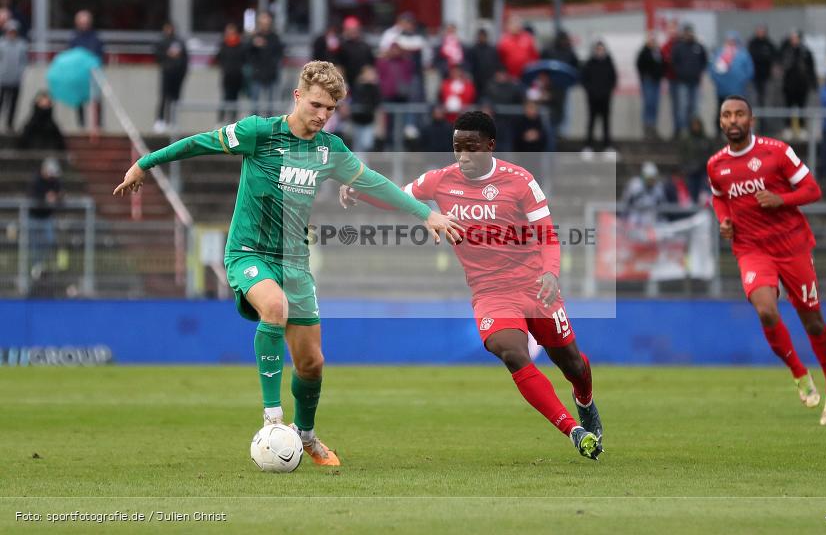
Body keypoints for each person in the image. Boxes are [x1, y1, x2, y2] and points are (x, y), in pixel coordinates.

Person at [113, 61, 462, 466]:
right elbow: (197, 143)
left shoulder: (329, 150)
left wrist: (426, 213)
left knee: (312, 363)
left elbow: (374, 183)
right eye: (316, 105)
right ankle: (272, 421)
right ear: (298, 96)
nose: (321, 116)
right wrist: (144, 163)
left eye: (330, 110)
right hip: (248, 252)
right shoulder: (258, 133)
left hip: (294, 261)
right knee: (274, 307)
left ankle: (307, 435)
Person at [340, 110, 603, 461]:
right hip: (491, 292)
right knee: (510, 350)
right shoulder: (439, 180)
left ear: (490, 146)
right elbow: (398, 197)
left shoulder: (520, 180)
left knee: (572, 364)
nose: (463, 156)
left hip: (534, 286)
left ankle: (584, 399)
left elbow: (547, 234)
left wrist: (551, 273)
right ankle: (573, 429)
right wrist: (360, 191)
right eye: (457, 148)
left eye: (471, 148)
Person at [707, 95, 826, 427]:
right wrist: (724, 221)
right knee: (766, 309)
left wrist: (782, 199)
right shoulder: (716, 165)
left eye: (740, 114)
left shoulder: (776, 152)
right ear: (721, 122)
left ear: (751, 120)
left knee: (813, 322)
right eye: (727, 115)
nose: (733, 120)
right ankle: (799, 373)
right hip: (751, 249)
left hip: (792, 247)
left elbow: (813, 190)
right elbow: (719, 198)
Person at [28, 158, 63, 286]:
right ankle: (36, 267)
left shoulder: (55, 181)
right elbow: (32, 197)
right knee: (35, 243)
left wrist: (56, 197)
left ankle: (44, 265)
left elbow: (61, 195)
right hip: (34, 217)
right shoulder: (36, 180)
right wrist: (45, 197)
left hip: (47, 217)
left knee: (49, 240)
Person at [69, 10, 104, 129]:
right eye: (81, 22)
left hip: (93, 73)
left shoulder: (95, 38)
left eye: (86, 22)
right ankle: (81, 125)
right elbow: (71, 55)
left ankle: (97, 125)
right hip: (79, 73)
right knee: (79, 99)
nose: (84, 25)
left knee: (96, 99)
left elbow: (100, 55)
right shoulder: (74, 38)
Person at [581, 40, 618, 153]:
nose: (599, 51)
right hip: (592, 98)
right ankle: (588, 146)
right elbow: (584, 79)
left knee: (606, 122)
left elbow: (613, 79)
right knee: (591, 121)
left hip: (605, 98)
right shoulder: (589, 63)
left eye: (601, 49)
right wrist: (590, 92)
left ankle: (607, 146)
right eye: (598, 49)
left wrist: (607, 92)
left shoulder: (609, 63)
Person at [671, 24, 707, 137]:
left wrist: (698, 72)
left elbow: (704, 61)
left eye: (690, 32)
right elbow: (673, 62)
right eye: (686, 32)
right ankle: (683, 130)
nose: (688, 35)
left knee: (695, 108)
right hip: (682, 82)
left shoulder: (698, 47)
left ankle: (694, 131)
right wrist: (680, 73)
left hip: (695, 82)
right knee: (682, 106)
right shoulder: (678, 47)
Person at [246, 11, 284, 116]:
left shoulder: (274, 37)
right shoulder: (254, 36)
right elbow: (246, 52)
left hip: (271, 74)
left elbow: (279, 53)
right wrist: (253, 43)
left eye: (266, 21)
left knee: (270, 105)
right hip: (257, 73)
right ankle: (254, 127)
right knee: (255, 105)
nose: (264, 23)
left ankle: (269, 128)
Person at [153, 21, 189, 133]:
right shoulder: (162, 42)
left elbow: (185, 58)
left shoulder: (179, 42)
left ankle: (173, 121)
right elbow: (157, 55)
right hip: (166, 73)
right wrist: (168, 54)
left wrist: (182, 72)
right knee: (164, 97)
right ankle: (160, 121)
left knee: (175, 99)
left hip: (177, 75)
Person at [779, 30, 817, 135]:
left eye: (796, 38)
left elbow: (811, 68)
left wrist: (813, 83)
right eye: (792, 38)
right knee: (788, 107)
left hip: (802, 86)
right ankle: (788, 128)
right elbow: (782, 63)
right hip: (789, 86)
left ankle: (802, 128)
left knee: (802, 107)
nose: (794, 40)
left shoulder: (805, 51)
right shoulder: (786, 51)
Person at [709, 31, 754, 115]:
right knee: (722, 110)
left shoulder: (743, 54)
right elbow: (712, 69)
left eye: (733, 40)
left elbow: (749, 70)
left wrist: (742, 81)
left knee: (737, 110)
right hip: (722, 90)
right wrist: (717, 82)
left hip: (738, 90)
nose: (731, 42)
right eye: (729, 40)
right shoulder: (719, 53)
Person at [0, 20, 28, 133]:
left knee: (13, 104)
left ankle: (9, 124)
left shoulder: (22, 45)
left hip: (16, 79)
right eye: (10, 31)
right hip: (2, 79)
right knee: (2, 102)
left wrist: (21, 73)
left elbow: (24, 61)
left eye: (14, 31)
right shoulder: (1, 44)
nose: (12, 33)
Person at [215, 23, 246, 123]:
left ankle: (232, 121)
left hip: (237, 77)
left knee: (235, 99)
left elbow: (245, 58)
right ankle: (221, 120)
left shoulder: (241, 45)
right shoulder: (223, 44)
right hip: (227, 76)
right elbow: (218, 58)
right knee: (225, 98)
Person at [636, 33, 664, 139]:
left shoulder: (658, 52)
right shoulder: (644, 52)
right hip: (648, 81)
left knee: (655, 105)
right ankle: (647, 126)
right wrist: (645, 75)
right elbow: (639, 65)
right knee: (648, 103)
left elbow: (662, 65)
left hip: (656, 81)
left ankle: (653, 126)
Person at [496, 16, 539, 80]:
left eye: (517, 23)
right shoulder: (503, 41)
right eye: (513, 23)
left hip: (528, 75)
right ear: (508, 26)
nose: (516, 25)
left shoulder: (528, 37)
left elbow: (535, 56)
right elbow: (499, 59)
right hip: (510, 77)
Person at [467, 27, 501, 102]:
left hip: (489, 79)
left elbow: (496, 63)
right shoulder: (473, 49)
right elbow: (470, 64)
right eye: (480, 36)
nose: (482, 38)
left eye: (483, 36)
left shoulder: (492, 49)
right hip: (476, 79)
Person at [747, 25, 777, 107]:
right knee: (754, 96)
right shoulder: (752, 43)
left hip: (766, 75)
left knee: (765, 96)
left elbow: (774, 56)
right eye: (759, 31)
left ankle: (764, 116)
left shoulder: (769, 43)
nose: (760, 33)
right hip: (754, 75)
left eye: (762, 32)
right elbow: (750, 56)